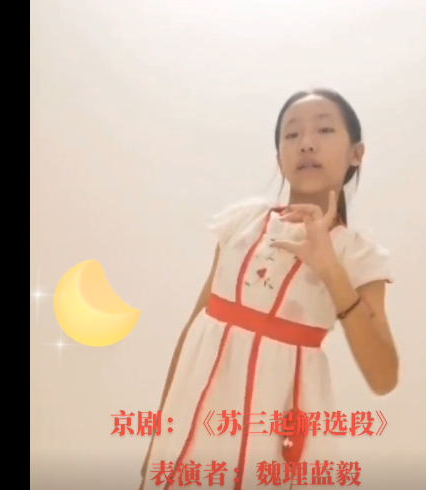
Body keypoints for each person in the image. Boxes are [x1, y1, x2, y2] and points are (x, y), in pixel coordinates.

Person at [138, 88, 400, 490]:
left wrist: (330, 270)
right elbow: (193, 330)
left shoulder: (358, 255)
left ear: (356, 153)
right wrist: (159, 440)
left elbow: (384, 377)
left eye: (325, 130)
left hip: (279, 438)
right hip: (199, 428)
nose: (306, 143)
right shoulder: (242, 223)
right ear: (279, 157)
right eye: (292, 134)